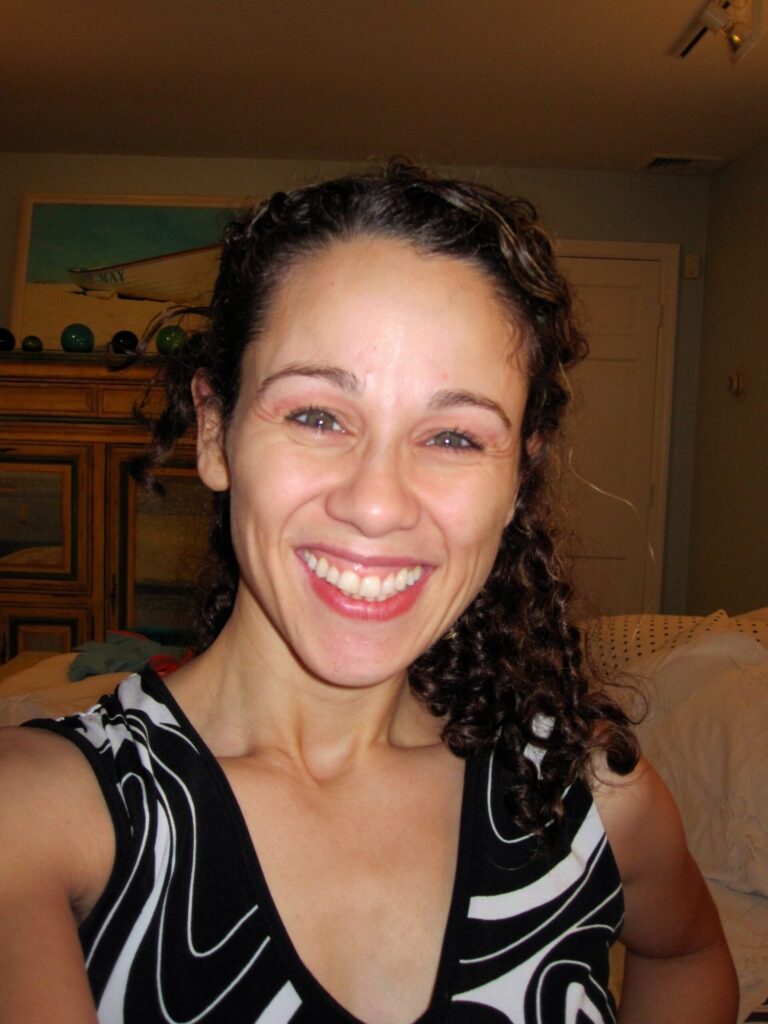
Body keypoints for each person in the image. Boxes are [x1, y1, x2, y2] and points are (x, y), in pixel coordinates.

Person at [0, 160, 737, 1024]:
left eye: (456, 436)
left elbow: (687, 953)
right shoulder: (45, 817)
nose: (378, 502)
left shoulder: (582, 791)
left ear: (517, 483)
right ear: (214, 433)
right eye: (316, 416)